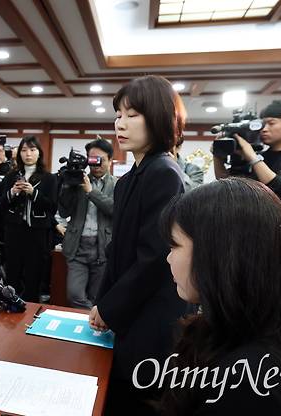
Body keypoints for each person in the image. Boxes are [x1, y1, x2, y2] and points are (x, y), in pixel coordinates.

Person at [161, 178, 281, 415]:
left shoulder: (250, 385)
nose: (168, 258)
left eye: (174, 246)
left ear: (218, 254)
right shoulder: (240, 335)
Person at [88, 75, 188, 415]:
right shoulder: (129, 178)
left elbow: (154, 258)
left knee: (137, 399)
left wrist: (110, 307)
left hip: (153, 312)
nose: (120, 123)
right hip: (132, 306)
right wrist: (103, 302)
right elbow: (117, 250)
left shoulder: (164, 173)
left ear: (158, 117)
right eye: (118, 115)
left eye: (132, 115)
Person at [213, 100, 281, 243]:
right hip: (259, 233)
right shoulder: (262, 157)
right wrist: (217, 156)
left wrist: (252, 157)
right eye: (262, 124)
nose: (264, 129)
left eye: (271, 123)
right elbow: (229, 184)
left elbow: (280, 190)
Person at [58, 139, 116, 309]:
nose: (95, 164)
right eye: (92, 160)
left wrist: (91, 192)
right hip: (77, 247)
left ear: (110, 160)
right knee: (74, 295)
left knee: (97, 297)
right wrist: (67, 185)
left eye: (100, 160)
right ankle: (89, 315)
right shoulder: (77, 181)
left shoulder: (117, 184)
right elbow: (64, 212)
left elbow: (115, 209)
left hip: (103, 248)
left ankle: (90, 321)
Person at [0, 136, 57, 303]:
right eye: (24, 150)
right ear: (19, 153)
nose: (28, 154)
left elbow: (52, 206)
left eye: (32, 150)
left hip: (37, 231)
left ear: (39, 153)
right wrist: (13, 192)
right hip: (14, 229)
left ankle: (31, 306)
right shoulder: (11, 176)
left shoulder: (49, 178)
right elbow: (2, 204)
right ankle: (11, 303)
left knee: (34, 271)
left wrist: (34, 193)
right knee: (13, 270)